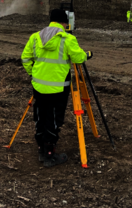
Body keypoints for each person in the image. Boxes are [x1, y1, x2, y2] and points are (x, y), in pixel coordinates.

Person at [21, 9, 92, 167]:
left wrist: (33, 74)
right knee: (53, 120)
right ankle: (49, 154)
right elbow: (78, 58)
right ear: (65, 23)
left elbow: (25, 58)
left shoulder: (35, 37)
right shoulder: (67, 39)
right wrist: (87, 54)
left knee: (40, 117)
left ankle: (41, 148)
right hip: (58, 90)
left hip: (38, 87)